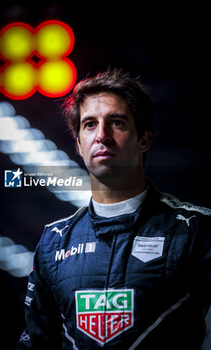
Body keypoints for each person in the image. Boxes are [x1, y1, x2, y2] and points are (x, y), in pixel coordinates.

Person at [17, 69, 211, 350]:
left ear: (144, 139)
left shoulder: (196, 231)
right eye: (90, 125)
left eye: (117, 122)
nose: (102, 136)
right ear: (79, 145)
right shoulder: (53, 243)